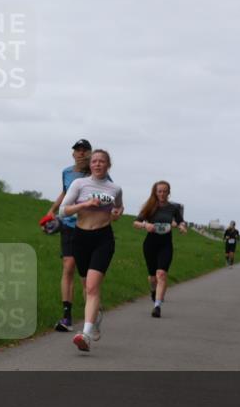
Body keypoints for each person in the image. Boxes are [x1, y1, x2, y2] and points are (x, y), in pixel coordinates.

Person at [58, 149, 123, 352]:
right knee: (87, 286)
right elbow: (63, 210)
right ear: (90, 165)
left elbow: (119, 208)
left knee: (93, 287)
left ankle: (85, 335)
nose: (97, 164)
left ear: (107, 165)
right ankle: (95, 318)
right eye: (94, 161)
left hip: (103, 239)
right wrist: (85, 204)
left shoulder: (115, 188)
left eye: (101, 161)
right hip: (81, 238)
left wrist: (116, 213)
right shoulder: (79, 184)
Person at [42, 139, 92, 332]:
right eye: (77, 150)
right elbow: (65, 192)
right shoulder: (67, 172)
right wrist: (52, 210)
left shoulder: (97, 173)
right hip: (69, 224)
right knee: (68, 266)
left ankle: (91, 315)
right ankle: (67, 317)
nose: (81, 153)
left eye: (84, 150)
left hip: (88, 225)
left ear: (90, 153)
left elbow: (109, 195)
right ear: (73, 154)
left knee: (85, 274)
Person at [133, 181, 187, 317]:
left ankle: (157, 306)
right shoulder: (150, 206)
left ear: (169, 193)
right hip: (150, 244)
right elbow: (136, 222)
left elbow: (181, 221)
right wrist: (145, 225)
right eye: (159, 191)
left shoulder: (173, 208)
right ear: (155, 192)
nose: (162, 194)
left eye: (165, 191)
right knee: (152, 277)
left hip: (166, 244)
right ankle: (153, 290)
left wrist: (182, 226)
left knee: (161, 274)